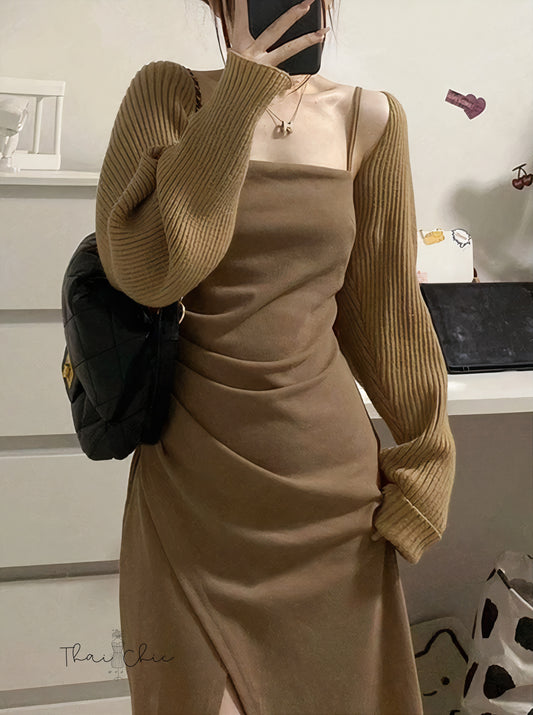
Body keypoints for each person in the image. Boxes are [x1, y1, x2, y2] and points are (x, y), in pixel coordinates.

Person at [95, 0, 457, 712]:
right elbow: (152, 272)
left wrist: (426, 458)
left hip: (326, 496)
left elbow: (385, 314)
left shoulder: (370, 119)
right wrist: (238, 99)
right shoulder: (166, 96)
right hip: (190, 486)